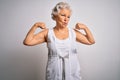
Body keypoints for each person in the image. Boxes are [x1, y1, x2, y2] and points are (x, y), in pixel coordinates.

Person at [23, 2, 95, 80]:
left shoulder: (73, 33)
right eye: (63, 15)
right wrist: (35, 26)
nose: (66, 19)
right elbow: (27, 41)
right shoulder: (48, 33)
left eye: (68, 17)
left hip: (73, 76)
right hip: (53, 76)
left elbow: (91, 41)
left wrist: (85, 27)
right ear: (55, 16)